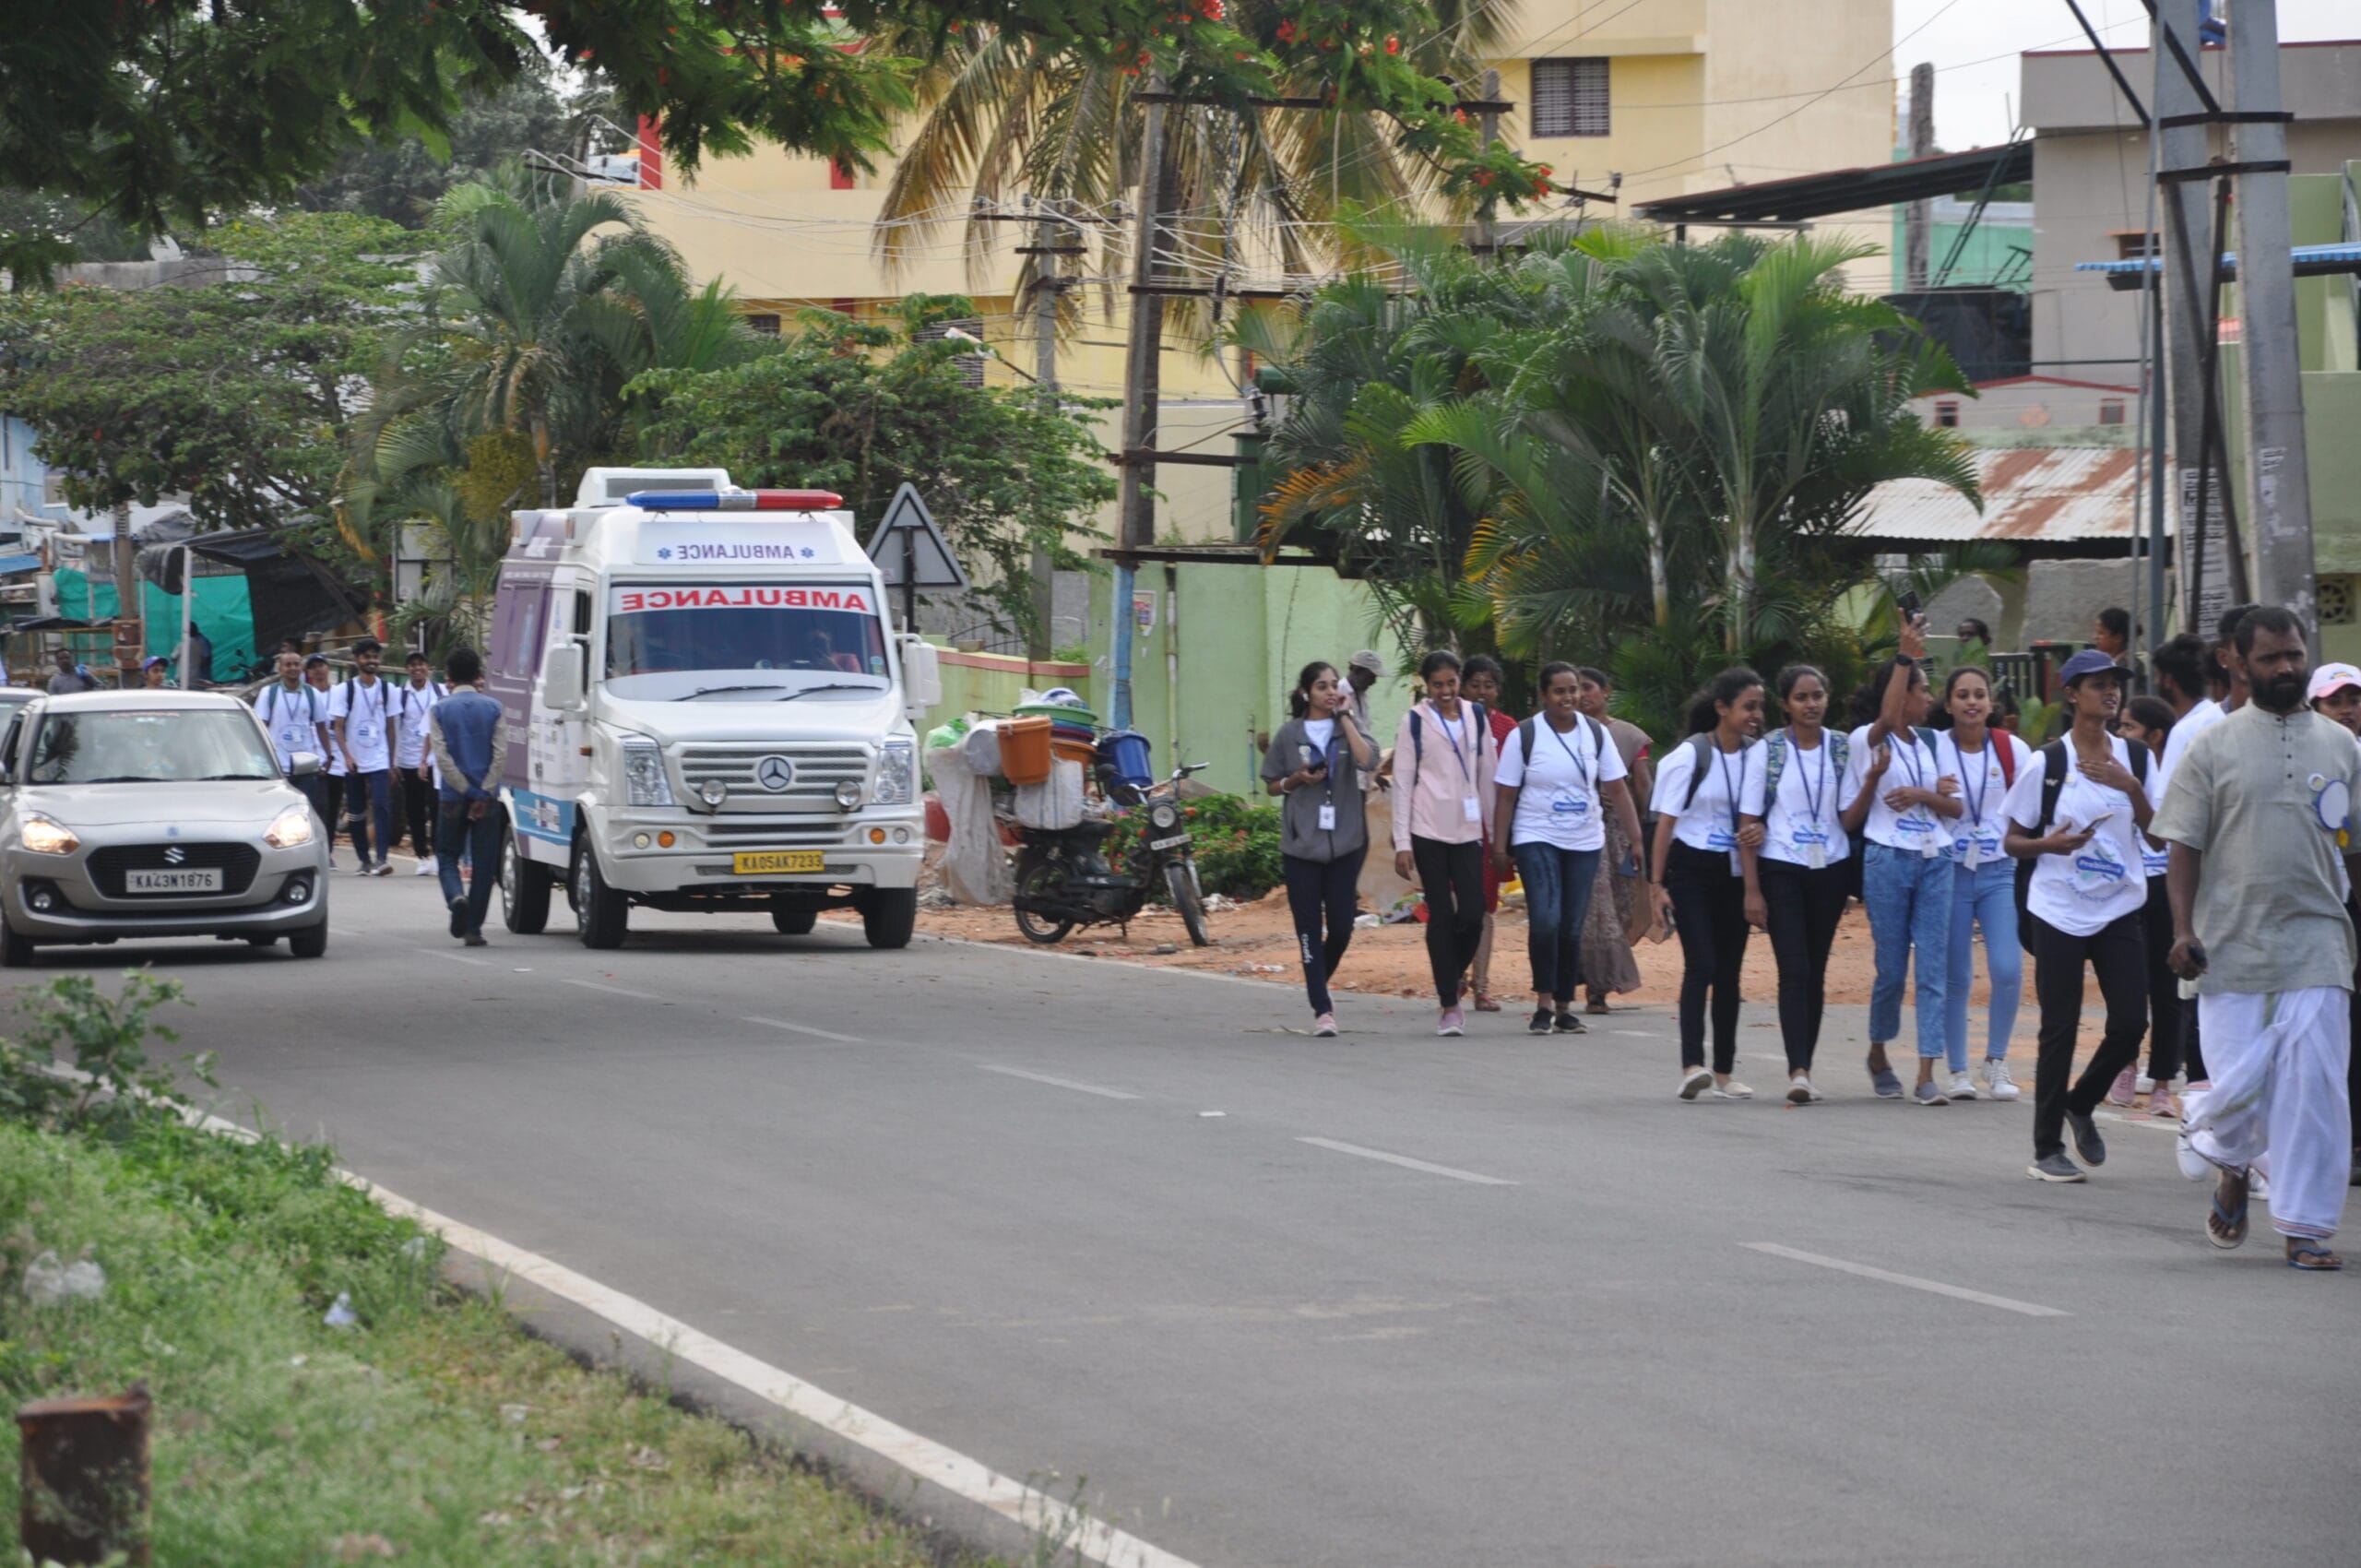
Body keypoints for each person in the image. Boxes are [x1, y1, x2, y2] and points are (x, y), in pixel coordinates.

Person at [2155, 607, 2357, 1268]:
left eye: (2294, 654)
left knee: (2315, 1089)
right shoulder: (2211, 745)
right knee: (2240, 1090)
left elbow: (2355, 846)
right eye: (2271, 657)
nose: (2287, 667)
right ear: (2237, 662)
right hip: (2231, 944)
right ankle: (2233, 1162)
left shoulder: (2343, 747)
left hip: (2318, 939)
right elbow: (2182, 845)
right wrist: (2182, 929)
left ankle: (2306, 1229)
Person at [2003, 649, 2153, 1182]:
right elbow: (2012, 841)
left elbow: (2159, 836)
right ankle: (2047, 1148)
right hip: (2058, 909)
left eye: (2115, 683)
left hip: (2120, 907)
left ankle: (2081, 1102)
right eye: (2097, 684)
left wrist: (2130, 787)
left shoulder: (2137, 759)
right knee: (2059, 1028)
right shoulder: (2047, 763)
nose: (2110, 692)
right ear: (2071, 694)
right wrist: (2050, 844)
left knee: (2132, 1023)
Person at [1844, 619, 1964, 1105]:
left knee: (1932, 967)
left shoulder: (1933, 743)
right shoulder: (1867, 739)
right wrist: (1904, 654)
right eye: (1922, 690)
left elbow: (1955, 808)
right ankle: (1878, 1052)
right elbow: (1886, 717)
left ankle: (1927, 1072)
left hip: (1936, 860)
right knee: (1892, 969)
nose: (1929, 698)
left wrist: (1922, 794)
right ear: (1900, 694)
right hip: (1888, 860)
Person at [1493, 662, 1644, 1037]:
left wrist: (1637, 839)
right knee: (1546, 920)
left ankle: (1564, 1007)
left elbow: (1617, 788)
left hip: (1584, 840)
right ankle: (1543, 1003)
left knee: (1572, 926)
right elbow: (1506, 795)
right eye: (1559, 691)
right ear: (1544, 696)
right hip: (1536, 836)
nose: (1569, 697)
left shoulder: (1595, 733)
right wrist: (1499, 846)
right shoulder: (1525, 735)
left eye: (1574, 690)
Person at [1649, 668, 1765, 1101]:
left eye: (1759, 707)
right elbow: (1665, 824)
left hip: (1736, 872)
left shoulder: (1757, 755)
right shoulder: (1691, 755)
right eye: (1748, 707)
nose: (1756, 715)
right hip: (1692, 869)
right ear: (1721, 708)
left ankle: (1724, 1073)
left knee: (1730, 973)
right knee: (1701, 964)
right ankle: (1692, 1066)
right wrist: (1656, 885)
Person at [1744, 665, 1853, 1103]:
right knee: (1795, 968)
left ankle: (1806, 1063)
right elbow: (1748, 821)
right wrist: (1752, 889)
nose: (1811, 704)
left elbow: (1849, 815)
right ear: (1785, 705)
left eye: (1818, 695)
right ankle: (1798, 1071)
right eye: (1802, 697)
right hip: (1781, 866)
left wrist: (1871, 780)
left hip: (1831, 867)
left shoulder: (1842, 747)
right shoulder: (1768, 750)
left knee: (1817, 968)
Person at [1263, 660, 1378, 1037]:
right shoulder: (1289, 734)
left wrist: (1345, 718)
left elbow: (1369, 760)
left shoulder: (1348, 729)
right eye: (1322, 687)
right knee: (1308, 929)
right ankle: (1322, 1009)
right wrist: (1296, 779)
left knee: (1342, 928)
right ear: (1306, 693)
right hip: (1301, 848)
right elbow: (1271, 784)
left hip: (1346, 843)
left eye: (1333, 686)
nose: (1330, 692)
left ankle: (1317, 981)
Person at [1937, 665, 2032, 1101]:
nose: (1971, 702)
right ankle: (1958, 1069)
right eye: (1962, 695)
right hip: (1951, 872)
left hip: (1999, 872)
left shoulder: (2012, 749)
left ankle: (1996, 1060)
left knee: (2008, 969)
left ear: (1991, 703)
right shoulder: (1935, 748)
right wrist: (1932, 789)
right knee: (1957, 976)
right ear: (1948, 704)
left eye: (1979, 694)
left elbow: (2032, 805)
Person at [1391, 650, 1497, 1037]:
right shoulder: (1414, 722)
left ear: (1459, 681)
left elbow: (1488, 775)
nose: (1445, 691)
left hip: (1467, 829)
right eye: (1437, 685)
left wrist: (1495, 834)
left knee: (1472, 912)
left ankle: (1451, 974)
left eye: (1451, 683)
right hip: (1427, 829)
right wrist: (1402, 841)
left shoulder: (1476, 717)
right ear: (1427, 685)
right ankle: (1450, 1004)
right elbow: (1403, 781)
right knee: (1441, 914)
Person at [2306, 662, 2361, 1188]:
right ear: (2314, 707)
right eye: (2335, 700)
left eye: (2354, 700)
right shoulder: (2305, 762)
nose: (2346, 710)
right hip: (2317, 909)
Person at [2116, 693, 2184, 1114]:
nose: (2120, 733)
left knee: (2166, 987)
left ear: (2155, 736)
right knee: (2130, 983)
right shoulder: (2118, 768)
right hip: (2128, 884)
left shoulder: (2176, 772)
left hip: (2165, 885)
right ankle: (2125, 1066)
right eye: (2120, 725)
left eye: (2129, 726)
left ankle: (2161, 1081)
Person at [1574, 666, 1653, 1015]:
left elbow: (1642, 784)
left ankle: (1600, 980)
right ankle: (1593, 986)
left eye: (1588, 687)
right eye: (1576, 688)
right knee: (1594, 907)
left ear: (1606, 691)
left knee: (1619, 906)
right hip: (1578, 830)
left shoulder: (1629, 736)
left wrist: (1645, 831)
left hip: (1620, 832)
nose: (1582, 695)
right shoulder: (1564, 733)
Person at [428, 647, 510, 948]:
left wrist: (465, 789)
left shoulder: (439, 710)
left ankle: (456, 898)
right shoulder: (494, 708)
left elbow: (442, 757)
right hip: (487, 799)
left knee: (447, 855)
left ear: (448, 676)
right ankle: (473, 929)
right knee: (484, 862)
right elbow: (500, 755)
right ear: (478, 675)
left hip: (453, 795)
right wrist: (483, 791)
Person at [1458, 656, 1520, 1013]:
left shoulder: (1508, 729)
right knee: (1455, 906)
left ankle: (1481, 986)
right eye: (1474, 685)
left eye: (1489, 685)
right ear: (1462, 687)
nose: (1481, 692)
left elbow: (1513, 786)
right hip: (1450, 826)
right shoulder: (1448, 723)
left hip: (1491, 829)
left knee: (1483, 907)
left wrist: (1507, 838)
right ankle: (1454, 973)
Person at [332, 639, 397, 876]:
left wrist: (391, 762)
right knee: (356, 811)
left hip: (379, 758)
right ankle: (364, 859)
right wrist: (347, 756)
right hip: (355, 759)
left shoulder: (388, 690)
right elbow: (338, 726)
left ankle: (382, 858)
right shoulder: (344, 690)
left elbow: (391, 727)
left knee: (381, 806)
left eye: (375, 657)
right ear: (357, 660)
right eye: (367, 657)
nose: (372, 661)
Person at [254, 650, 335, 835]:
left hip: (306, 767)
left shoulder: (312, 694)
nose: (292, 668)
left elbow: (321, 727)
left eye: (296, 664)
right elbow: (261, 727)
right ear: (280, 669)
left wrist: (329, 756)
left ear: (301, 668)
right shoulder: (269, 693)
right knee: (278, 815)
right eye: (288, 665)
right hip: (279, 767)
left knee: (308, 813)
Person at [392, 652, 449, 875]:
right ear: (407, 669)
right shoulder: (400, 695)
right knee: (414, 809)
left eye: (421, 664)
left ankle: (437, 853)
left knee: (436, 807)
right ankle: (422, 855)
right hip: (409, 759)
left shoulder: (440, 691)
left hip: (435, 759)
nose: (417, 669)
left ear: (428, 667)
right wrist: (395, 762)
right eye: (413, 665)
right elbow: (395, 727)